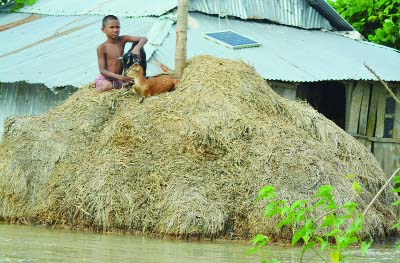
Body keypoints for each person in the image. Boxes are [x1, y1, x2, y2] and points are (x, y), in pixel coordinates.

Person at [94, 15, 148, 92]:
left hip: (120, 79)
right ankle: (99, 84)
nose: (115, 30)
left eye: (117, 27)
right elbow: (102, 71)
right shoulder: (101, 48)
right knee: (106, 85)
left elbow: (144, 38)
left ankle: (141, 77)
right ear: (103, 29)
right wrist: (122, 78)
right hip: (107, 79)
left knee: (137, 85)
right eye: (111, 27)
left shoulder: (123, 39)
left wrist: (137, 48)